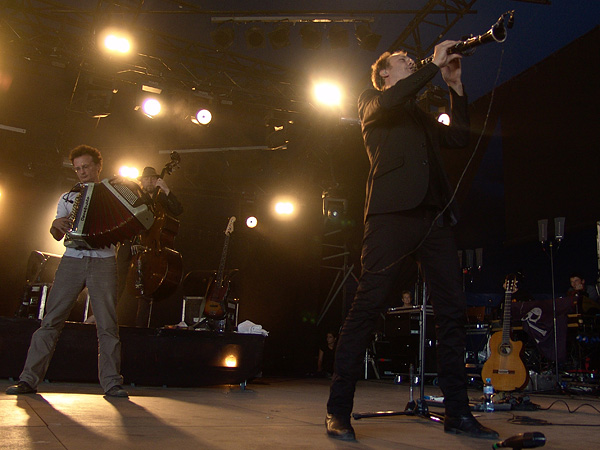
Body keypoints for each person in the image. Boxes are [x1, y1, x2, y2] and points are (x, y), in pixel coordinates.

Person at [325, 41, 498, 441]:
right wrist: (432, 66)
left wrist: (454, 86)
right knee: (368, 307)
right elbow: (394, 100)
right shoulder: (371, 100)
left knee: (453, 311)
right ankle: (338, 409)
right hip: (391, 216)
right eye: (404, 60)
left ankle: (457, 412)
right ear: (385, 73)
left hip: (434, 216)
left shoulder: (418, 113)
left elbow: (456, 139)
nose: (412, 61)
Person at [6, 145, 128, 397]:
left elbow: (131, 222)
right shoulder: (68, 197)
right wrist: (56, 224)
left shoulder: (116, 195)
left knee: (107, 325)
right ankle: (28, 379)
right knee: (51, 320)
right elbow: (57, 232)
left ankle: (112, 382)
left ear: (97, 167)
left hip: (103, 261)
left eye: (85, 167)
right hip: (72, 260)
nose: (81, 172)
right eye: (77, 169)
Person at [116, 166, 183, 327]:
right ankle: (108, 319)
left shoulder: (163, 200)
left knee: (145, 289)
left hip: (150, 251)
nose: (150, 181)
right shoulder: (136, 197)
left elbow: (178, 210)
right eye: (146, 179)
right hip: (130, 247)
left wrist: (167, 190)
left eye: (153, 178)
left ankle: (141, 327)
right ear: (141, 181)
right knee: (118, 283)